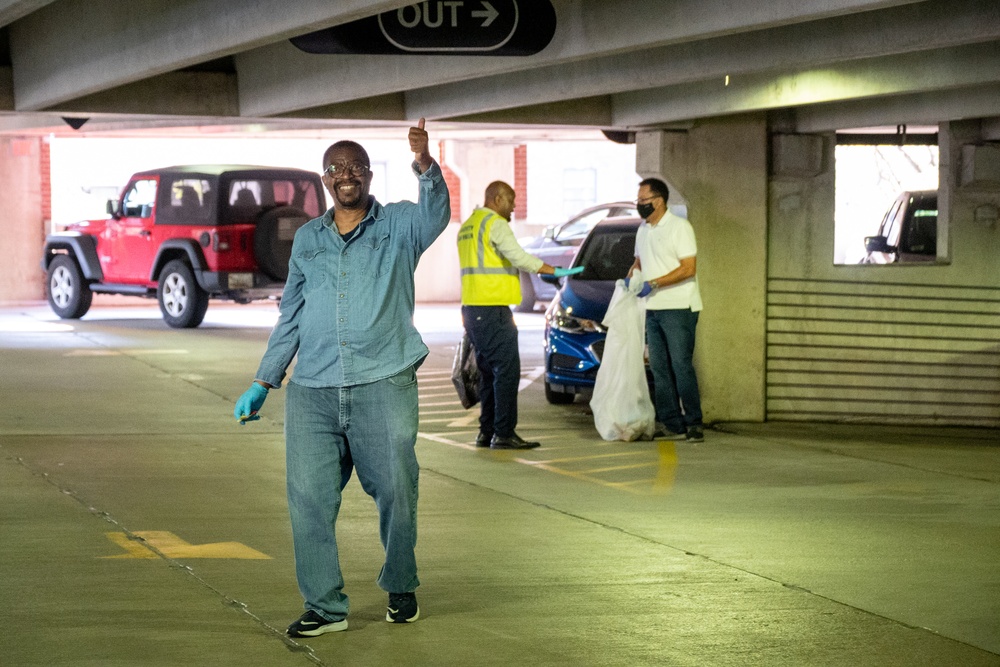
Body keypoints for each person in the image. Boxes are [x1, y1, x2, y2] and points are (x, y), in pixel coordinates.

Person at [233, 119, 450, 637]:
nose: (345, 174)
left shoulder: (399, 224)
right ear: (325, 179)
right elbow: (291, 313)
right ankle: (326, 607)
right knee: (307, 499)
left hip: (383, 380)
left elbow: (436, 216)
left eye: (354, 166)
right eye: (335, 168)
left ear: (369, 174)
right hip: (314, 390)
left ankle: (401, 583)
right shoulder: (308, 239)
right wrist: (264, 380)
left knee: (398, 489)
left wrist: (424, 165)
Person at [457, 181, 583, 450]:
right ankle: (503, 433)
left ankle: (486, 432)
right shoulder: (495, 224)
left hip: (472, 310)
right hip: (491, 309)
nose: (514, 206)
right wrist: (552, 270)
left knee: (489, 372)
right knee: (507, 371)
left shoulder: (468, 226)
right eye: (511, 200)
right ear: (498, 198)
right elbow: (519, 257)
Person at [627, 177, 704, 443]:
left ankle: (694, 423)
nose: (640, 206)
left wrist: (655, 282)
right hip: (653, 308)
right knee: (659, 368)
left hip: (679, 307)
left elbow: (688, 268)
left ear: (658, 201)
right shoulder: (643, 229)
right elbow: (639, 260)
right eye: (637, 201)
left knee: (681, 365)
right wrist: (632, 277)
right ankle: (672, 423)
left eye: (643, 201)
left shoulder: (680, 228)